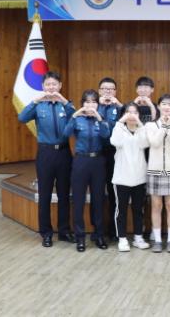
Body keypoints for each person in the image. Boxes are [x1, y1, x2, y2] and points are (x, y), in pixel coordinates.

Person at [18, 71, 76, 247]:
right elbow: (22, 118)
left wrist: (64, 100)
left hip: (64, 153)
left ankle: (64, 231)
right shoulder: (38, 106)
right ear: (43, 86)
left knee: (64, 194)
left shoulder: (65, 105)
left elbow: (75, 118)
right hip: (45, 154)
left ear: (60, 86)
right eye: (48, 84)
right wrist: (35, 101)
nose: (51, 87)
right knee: (44, 195)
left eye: (54, 84)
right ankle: (46, 233)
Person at [63, 89, 111, 252]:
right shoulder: (77, 119)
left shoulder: (101, 118)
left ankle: (98, 235)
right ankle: (80, 237)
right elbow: (66, 133)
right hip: (81, 161)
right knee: (78, 200)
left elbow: (106, 135)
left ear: (98, 104)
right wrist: (75, 115)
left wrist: (99, 117)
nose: (90, 105)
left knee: (98, 199)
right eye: (87, 102)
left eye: (93, 102)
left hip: (98, 161)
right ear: (82, 103)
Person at [110, 102, 151, 252]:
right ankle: (122, 238)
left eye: (135, 112)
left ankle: (138, 237)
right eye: (128, 112)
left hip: (139, 177)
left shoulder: (141, 130)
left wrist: (140, 124)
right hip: (122, 177)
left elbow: (145, 143)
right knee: (121, 210)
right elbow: (115, 141)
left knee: (138, 209)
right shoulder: (119, 129)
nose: (132, 115)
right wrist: (120, 122)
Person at [145, 94, 170, 253]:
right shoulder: (150, 125)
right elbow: (154, 143)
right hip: (154, 170)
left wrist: (169, 127)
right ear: (159, 106)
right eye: (164, 104)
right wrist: (163, 127)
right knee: (156, 206)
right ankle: (158, 240)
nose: (167, 107)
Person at [97, 77, 122, 241]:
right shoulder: (93, 106)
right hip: (97, 153)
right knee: (98, 192)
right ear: (99, 91)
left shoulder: (119, 108)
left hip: (115, 154)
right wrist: (97, 107)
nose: (107, 91)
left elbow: (130, 118)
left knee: (114, 193)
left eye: (111, 89)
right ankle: (98, 231)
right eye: (104, 89)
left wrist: (118, 104)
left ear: (115, 91)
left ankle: (114, 230)